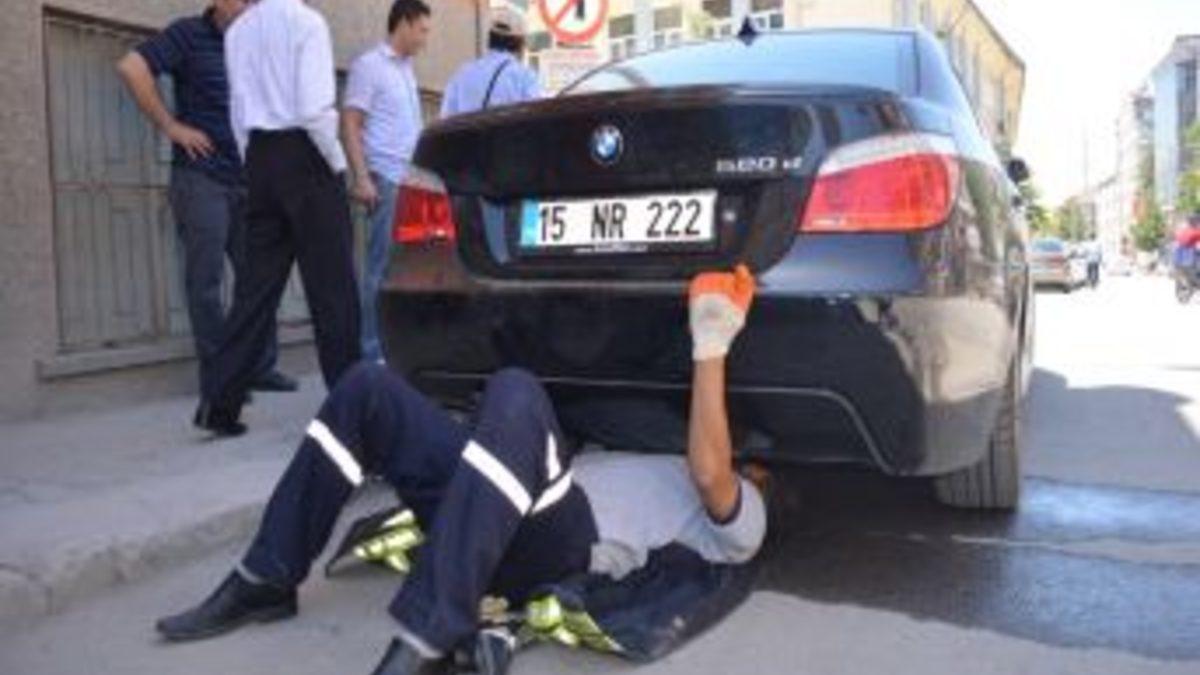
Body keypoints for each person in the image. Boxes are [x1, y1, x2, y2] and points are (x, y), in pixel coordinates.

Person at [155, 266, 768, 675]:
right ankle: (266, 577)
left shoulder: (743, 518)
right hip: (488, 511)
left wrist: (711, 341)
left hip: (552, 547)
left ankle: (430, 632)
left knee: (517, 392)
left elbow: (710, 470)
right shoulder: (631, 445)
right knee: (367, 389)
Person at [192, 0, 363, 437]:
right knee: (333, 290)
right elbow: (313, 109)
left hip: (261, 157)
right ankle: (352, 415)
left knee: (254, 290)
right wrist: (336, 163)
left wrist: (253, 159)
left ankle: (218, 404)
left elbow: (238, 108)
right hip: (308, 155)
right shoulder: (307, 22)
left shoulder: (238, 31)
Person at [115, 0, 297, 395]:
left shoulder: (256, 45)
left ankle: (259, 367)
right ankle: (220, 377)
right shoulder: (188, 35)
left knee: (259, 279)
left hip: (251, 181)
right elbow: (131, 67)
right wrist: (171, 126)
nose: (250, 6)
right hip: (202, 180)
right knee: (206, 281)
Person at [343, 0, 432, 363]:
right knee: (379, 269)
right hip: (386, 180)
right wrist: (362, 177)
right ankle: (372, 351)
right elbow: (350, 123)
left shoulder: (407, 70)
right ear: (405, 23)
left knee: (410, 270)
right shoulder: (370, 66)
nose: (425, 39)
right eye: (422, 30)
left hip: (411, 181)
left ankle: (400, 348)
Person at [439, 7, 542, 119]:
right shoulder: (525, 77)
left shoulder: (461, 74)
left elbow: (445, 120)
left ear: (489, 39)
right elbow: (535, 119)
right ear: (519, 43)